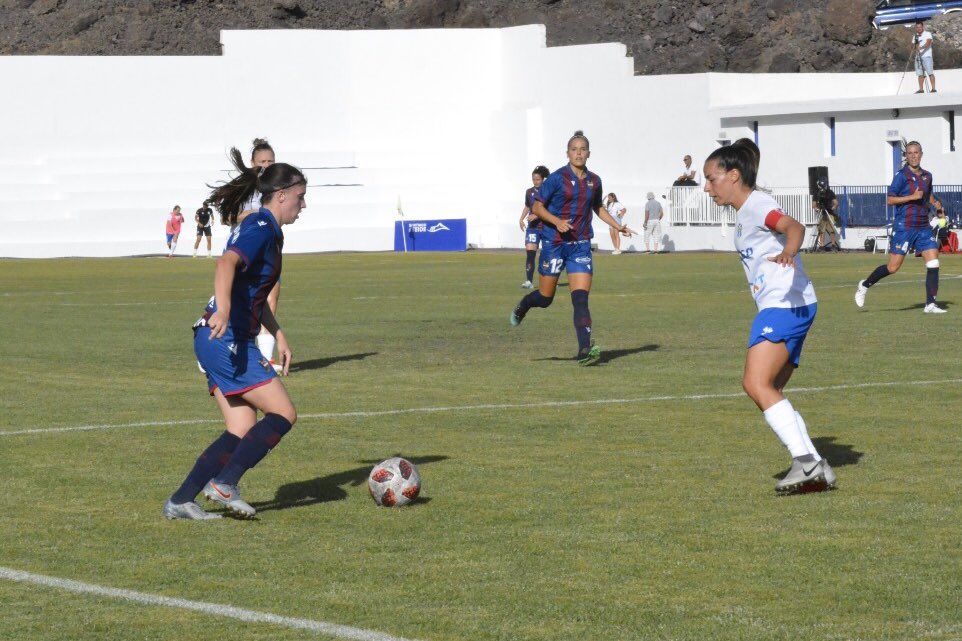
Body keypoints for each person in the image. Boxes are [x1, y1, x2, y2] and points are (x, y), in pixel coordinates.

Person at [163, 160, 307, 520]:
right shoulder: (260, 226)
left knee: (241, 428)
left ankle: (181, 500)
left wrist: (278, 334)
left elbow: (253, 292)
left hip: (214, 337)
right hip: (224, 337)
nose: (303, 205)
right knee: (284, 413)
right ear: (282, 195)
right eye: (300, 197)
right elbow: (225, 264)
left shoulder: (265, 228)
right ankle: (225, 483)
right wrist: (224, 311)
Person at [703, 138, 835, 495]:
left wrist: (789, 252)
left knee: (755, 383)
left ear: (733, 176)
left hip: (784, 306)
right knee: (771, 388)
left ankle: (805, 462)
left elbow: (794, 227)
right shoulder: (747, 210)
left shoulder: (757, 204)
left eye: (711, 179)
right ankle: (815, 463)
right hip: (794, 304)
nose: (706, 187)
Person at [509, 130, 634, 365]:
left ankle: (585, 350)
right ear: (567, 153)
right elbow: (536, 207)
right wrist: (556, 222)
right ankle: (523, 305)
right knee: (545, 299)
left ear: (589, 153)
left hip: (580, 245)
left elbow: (598, 208)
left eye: (582, 149)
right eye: (574, 149)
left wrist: (618, 226)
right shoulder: (556, 178)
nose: (578, 153)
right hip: (554, 244)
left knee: (580, 299)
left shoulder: (594, 181)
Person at [855, 141, 945, 313]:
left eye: (916, 152)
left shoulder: (928, 175)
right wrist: (911, 197)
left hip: (923, 226)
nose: (913, 155)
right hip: (905, 226)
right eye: (910, 153)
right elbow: (890, 200)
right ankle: (864, 285)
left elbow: (928, 196)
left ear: (921, 154)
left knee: (933, 262)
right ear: (906, 156)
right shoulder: (901, 176)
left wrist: (937, 206)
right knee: (893, 267)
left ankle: (930, 304)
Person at [224, 139, 284, 371]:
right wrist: (254, 214)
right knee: (235, 301)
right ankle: (218, 344)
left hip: (268, 250)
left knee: (269, 299)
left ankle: (266, 357)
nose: (266, 166)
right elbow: (227, 217)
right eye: (262, 162)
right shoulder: (244, 187)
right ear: (252, 163)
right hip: (243, 251)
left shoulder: (276, 188)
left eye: (270, 161)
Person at [519, 166, 550, 288]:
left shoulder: (548, 191)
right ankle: (529, 281)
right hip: (532, 228)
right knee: (530, 253)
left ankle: (549, 280)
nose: (535, 181)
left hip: (546, 226)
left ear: (543, 179)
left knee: (547, 254)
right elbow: (528, 206)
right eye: (533, 179)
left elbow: (549, 208)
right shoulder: (529, 192)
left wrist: (536, 215)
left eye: (538, 179)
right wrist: (521, 219)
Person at [812, 178, 840, 252]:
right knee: (822, 230)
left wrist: (833, 207)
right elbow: (814, 205)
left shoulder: (830, 192)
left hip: (829, 213)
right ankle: (822, 246)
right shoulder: (816, 193)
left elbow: (836, 203)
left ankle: (833, 245)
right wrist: (816, 208)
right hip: (821, 213)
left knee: (831, 230)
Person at [913, 21, 936, 94]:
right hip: (918, 57)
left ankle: (933, 89)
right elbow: (914, 45)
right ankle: (921, 89)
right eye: (917, 27)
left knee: (930, 72)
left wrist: (921, 48)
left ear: (922, 27)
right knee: (920, 74)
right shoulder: (915, 36)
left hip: (927, 56)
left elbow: (928, 43)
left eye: (920, 27)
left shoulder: (927, 34)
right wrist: (916, 47)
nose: (918, 28)